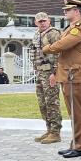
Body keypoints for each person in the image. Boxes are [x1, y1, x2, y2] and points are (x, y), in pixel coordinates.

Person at [43, 0, 81, 159]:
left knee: (77, 113)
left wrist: (47, 48)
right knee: (73, 113)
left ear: (77, 11)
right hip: (69, 74)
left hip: (75, 75)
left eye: (68, 10)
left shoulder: (80, 27)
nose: (64, 12)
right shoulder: (71, 27)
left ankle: (80, 146)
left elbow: (63, 45)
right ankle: (76, 143)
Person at [32, 12, 62, 144]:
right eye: (40, 21)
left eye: (44, 21)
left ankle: (55, 132)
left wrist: (54, 73)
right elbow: (35, 52)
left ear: (49, 21)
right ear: (36, 23)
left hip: (50, 72)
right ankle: (49, 130)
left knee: (52, 102)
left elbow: (58, 53)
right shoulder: (37, 34)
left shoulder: (53, 33)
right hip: (40, 72)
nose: (42, 23)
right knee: (42, 103)